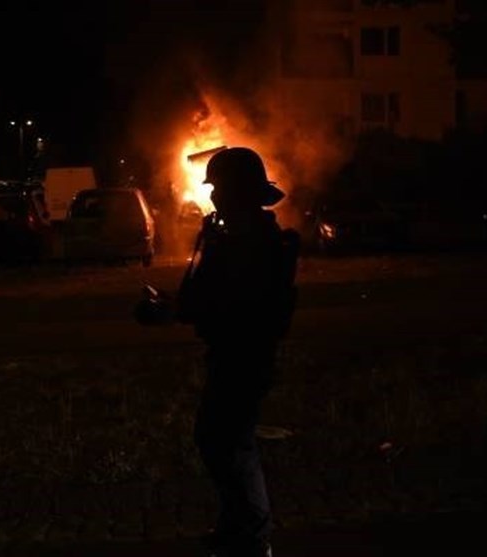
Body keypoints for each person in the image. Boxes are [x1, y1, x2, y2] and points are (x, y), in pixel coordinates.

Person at [175, 147, 300, 557]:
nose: (211, 197)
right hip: (236, 354)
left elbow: (225, 301)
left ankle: (252, 537)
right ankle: (239, 529)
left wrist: (181, 307)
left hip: (244, 356)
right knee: (222, 441)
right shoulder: (237, 236)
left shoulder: (254, 243)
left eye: (219, 189)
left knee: (227, 443)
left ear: (238, 192)